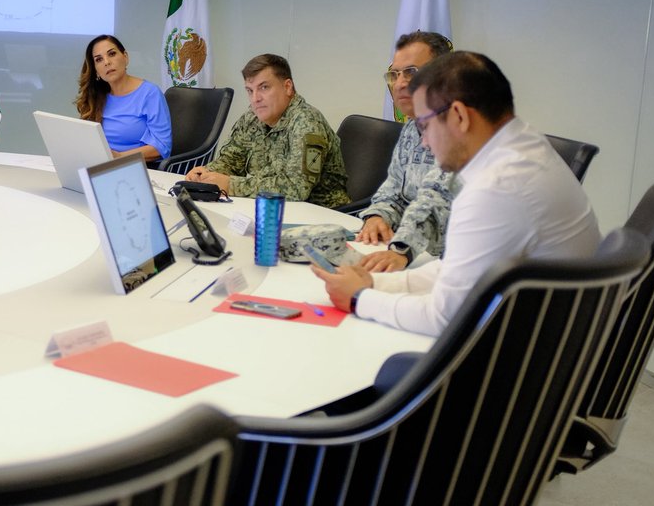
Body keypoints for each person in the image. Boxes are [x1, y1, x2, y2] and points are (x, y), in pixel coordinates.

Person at [313, 51, 600, 336]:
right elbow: (455, 271)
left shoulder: (497, 188)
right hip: (542, 336)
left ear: (460, 115)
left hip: (520, 358)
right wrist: (376, 284)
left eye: (425, 126)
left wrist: (359, 299)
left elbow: (445, 317)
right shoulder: (522, 149)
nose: (424, 143)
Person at [186, 54, 348, 208]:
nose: (255, 98)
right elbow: (231, 160)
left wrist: (231, 185)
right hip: (274, 208)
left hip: (321, 213)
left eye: (264, 87)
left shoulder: (306, 122)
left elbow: (296, 188)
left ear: (287, 87)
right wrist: (206, 174)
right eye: (250, 90)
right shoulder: (253, 116)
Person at [357, 31, 456, 272]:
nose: (399, 83)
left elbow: (438, 200)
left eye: (411, 72)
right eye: (394, 74)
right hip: (416, 255)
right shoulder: (413, 126)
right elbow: (393, 190)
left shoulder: (459, 126)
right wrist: (377, 217)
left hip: (451, 261)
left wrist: (402, 249)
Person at [74, 34, 172, 162]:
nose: (107, 62)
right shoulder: (96, 96)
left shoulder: (150, 93)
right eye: (99, 60)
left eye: (112, 54)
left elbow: (163, 147)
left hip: (136, 167)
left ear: (125, 57)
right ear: (96, 70)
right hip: (99, 165)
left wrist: (119, 157)